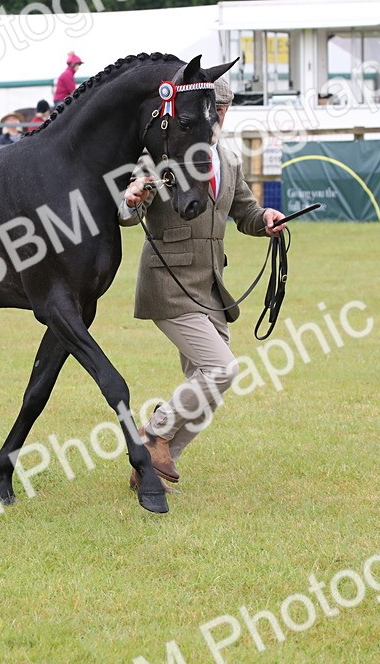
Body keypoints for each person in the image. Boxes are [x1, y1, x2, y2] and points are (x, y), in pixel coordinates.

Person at [118, 75, 287, 490]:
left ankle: (153, 468)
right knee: (222, 370)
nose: (215, 118)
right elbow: (128, 211)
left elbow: (244, 212)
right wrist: (133, 197)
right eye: (209, 110)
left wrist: (264, 219)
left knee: (209, 387)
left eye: (221, 110)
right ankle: (153, 434)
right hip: (168, 284)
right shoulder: (162, 154)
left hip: (211, 288)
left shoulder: (228, 161)